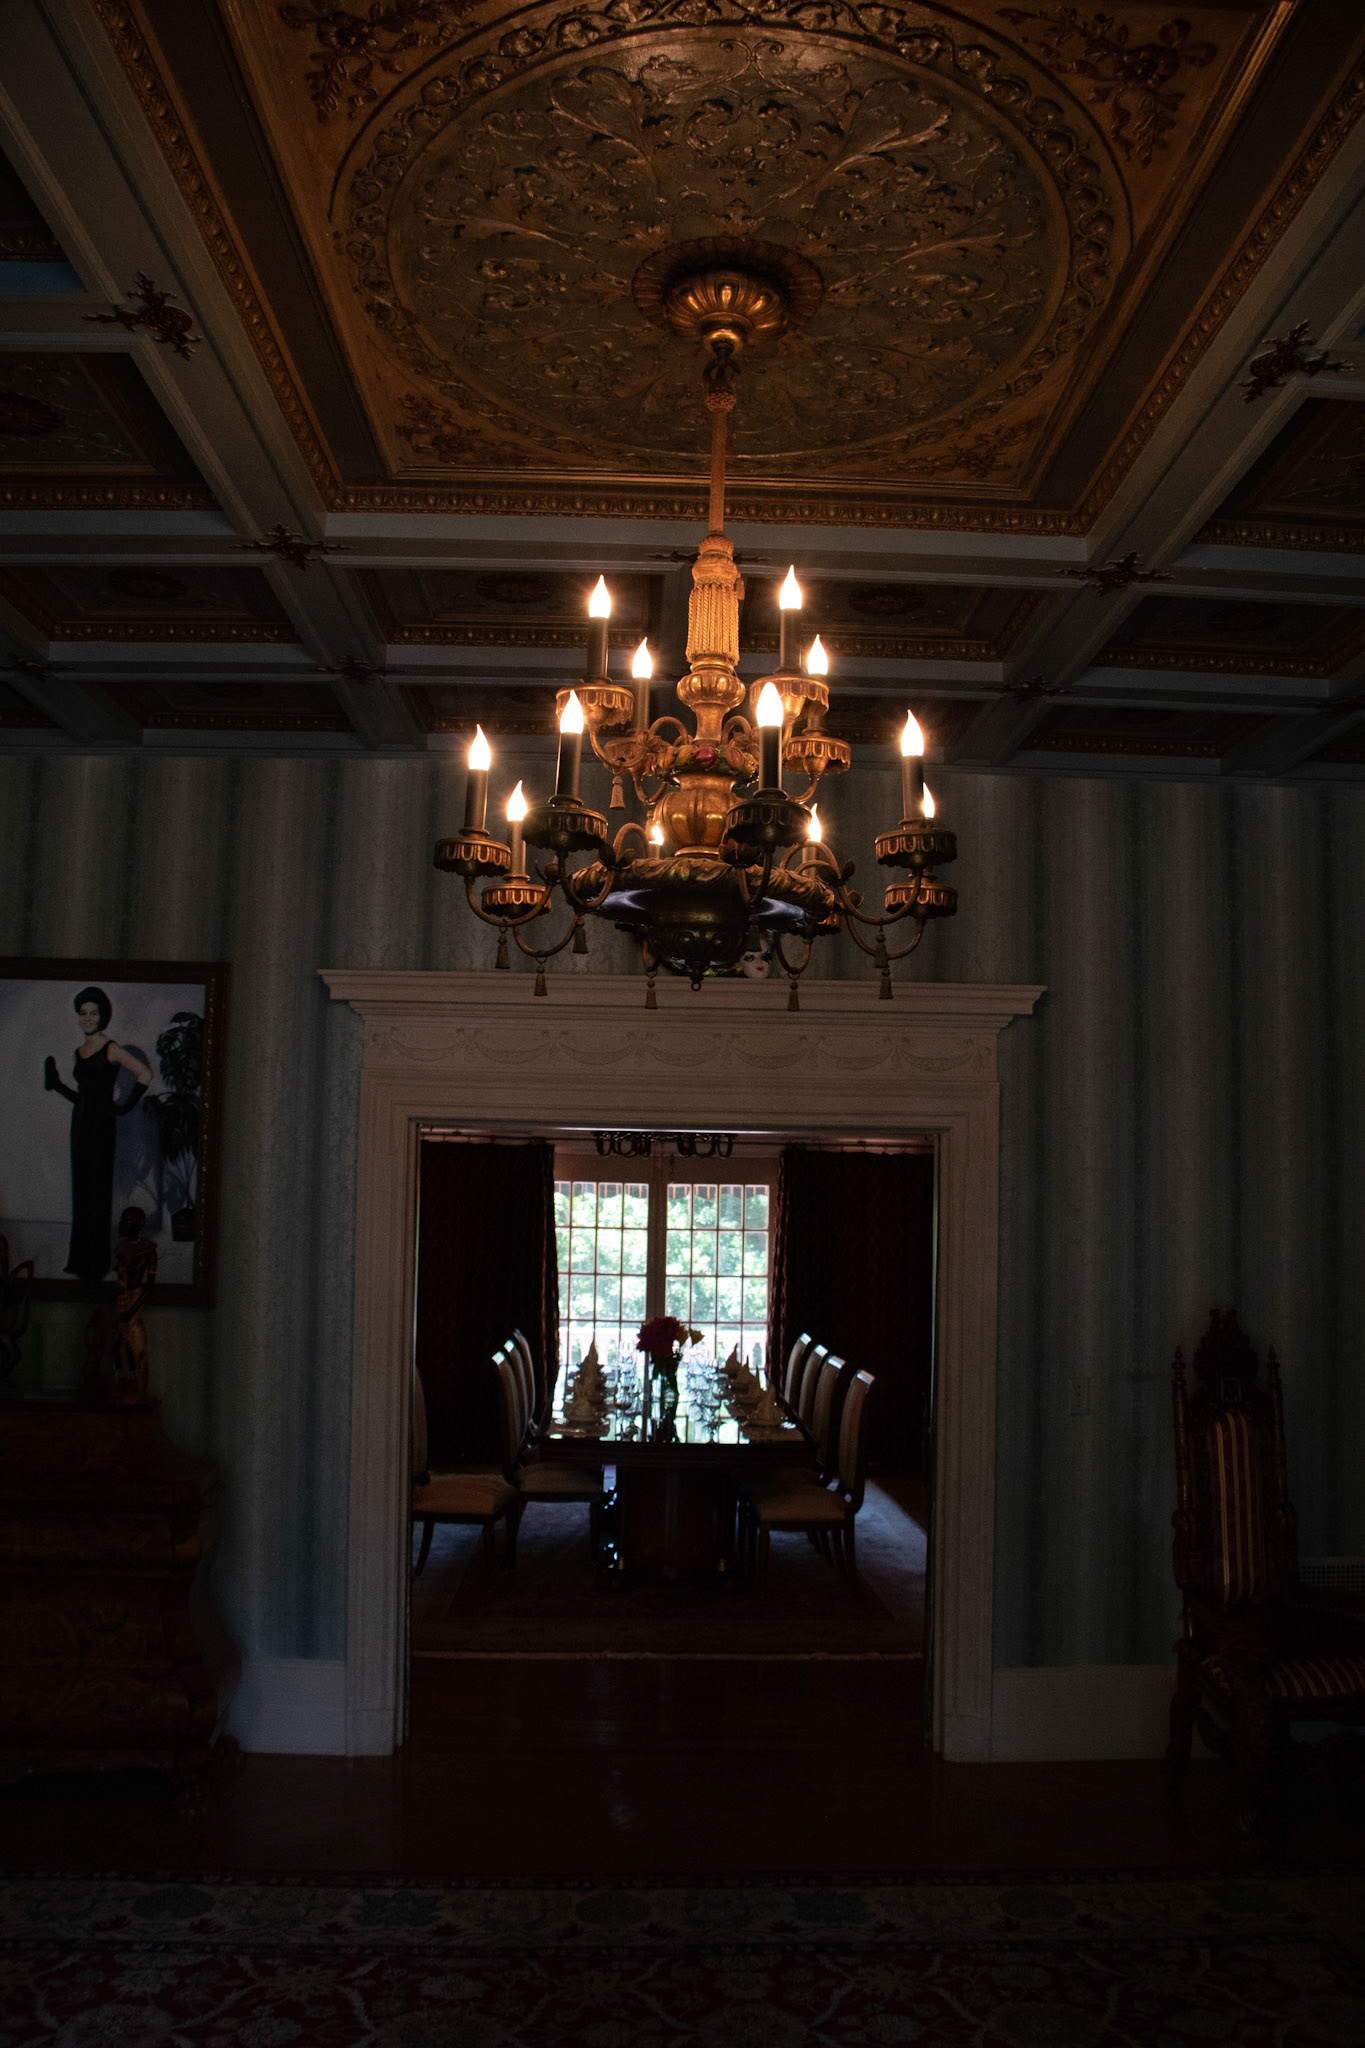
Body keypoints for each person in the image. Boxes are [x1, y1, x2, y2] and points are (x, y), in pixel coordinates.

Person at [44, 986, 153, 1284]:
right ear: (78, 1017)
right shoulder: (78, 1052)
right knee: (82, 1189)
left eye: (93, 1013)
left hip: (101, 1126)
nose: (88, 1018)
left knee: (97, 1189)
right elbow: (83, 1098)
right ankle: (80, 1260)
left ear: (102, 1016)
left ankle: (95, 1263)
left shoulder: (111, 1048)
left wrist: (123, 1107)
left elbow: (145, 1074)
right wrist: (57, 1084)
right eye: (83, 1013)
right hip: (80, 1123)